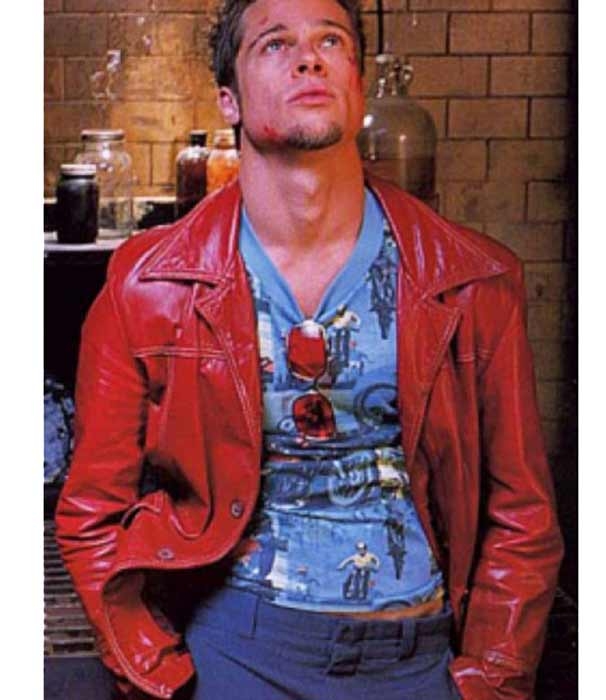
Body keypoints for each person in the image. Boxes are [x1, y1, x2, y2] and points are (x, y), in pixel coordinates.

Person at [55, 1, 563, 698]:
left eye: (331, 40)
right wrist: (154, 670)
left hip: (419, 656)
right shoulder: (148, 286)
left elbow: (522, 514)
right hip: (236, 651)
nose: (308, 58)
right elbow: (92, 513)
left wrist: (491, 679)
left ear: (358, 82)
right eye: (274, 44)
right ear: (229, 99)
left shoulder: (472, 280)